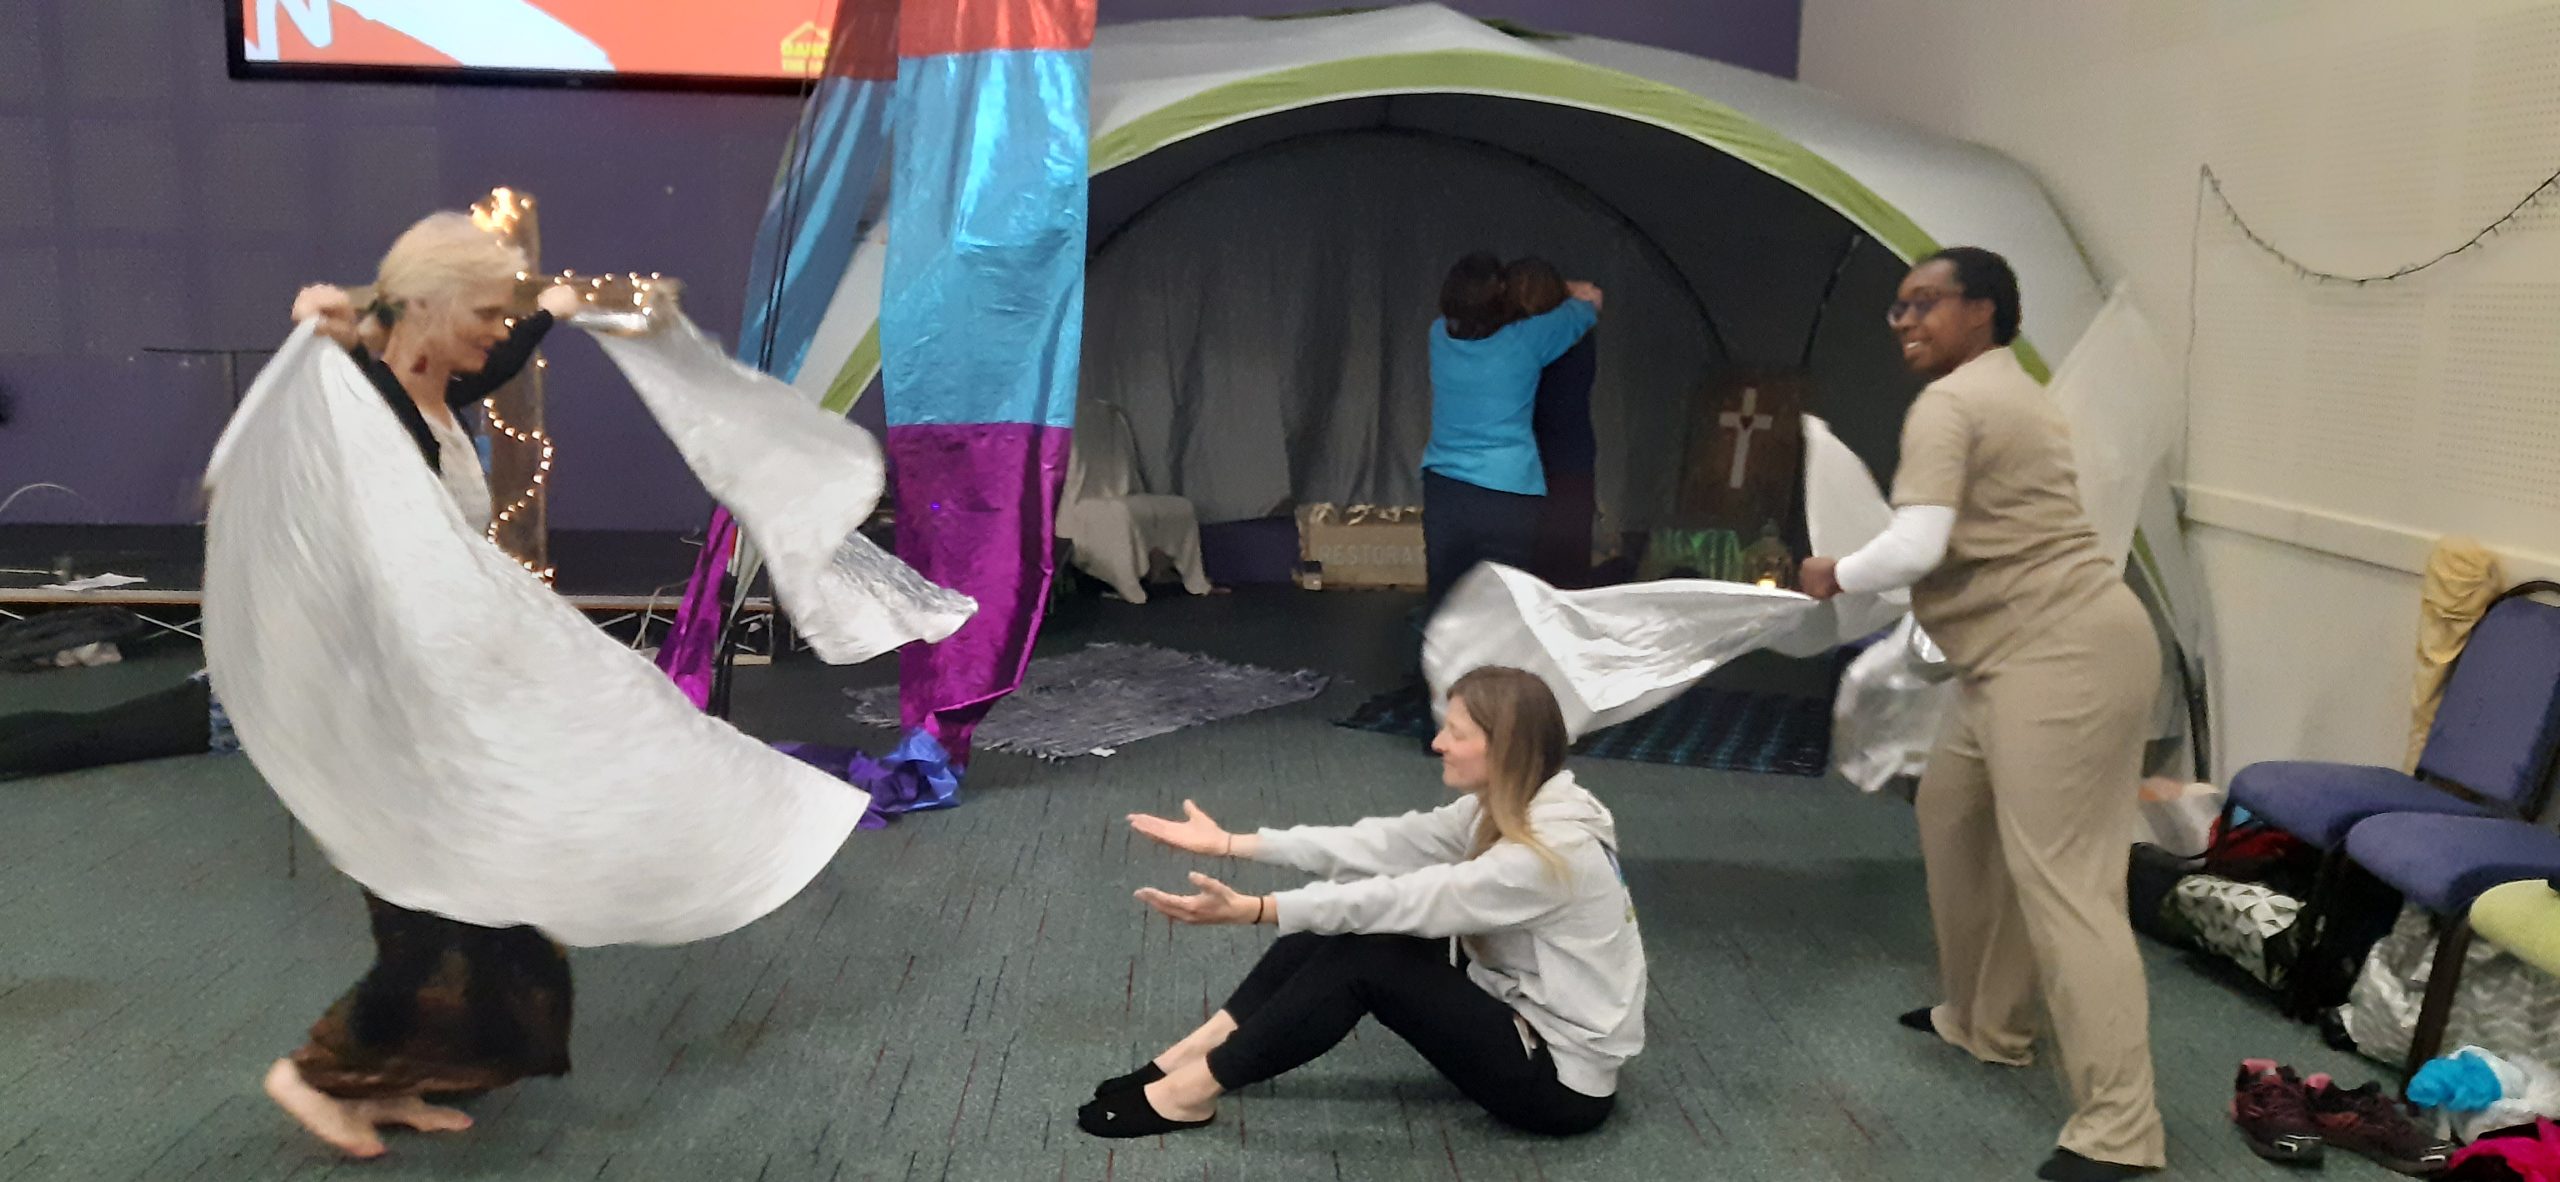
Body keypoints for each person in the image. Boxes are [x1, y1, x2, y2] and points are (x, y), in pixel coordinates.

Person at [1798, 247, 2165, 1182]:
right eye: (1898, 307)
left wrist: (1833, 571)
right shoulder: (2006, 390)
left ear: (1985, 310)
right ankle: (1987, 1021)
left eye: (1927, 303)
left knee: (2068, 882)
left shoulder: (1955, 402)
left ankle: (2122, 1133)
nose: (1908, 320)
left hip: (2063, 656)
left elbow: (1918, 543)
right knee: (1950, 810)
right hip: (2012, 656)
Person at [255, 212, 586, 1158]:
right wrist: (327, 323)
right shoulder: (367, 393)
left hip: (440, 694)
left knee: (472, 905)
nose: (494, 331)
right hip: (382, 703)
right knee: (446, 917)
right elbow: (343, 360)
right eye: (481, 310)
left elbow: (482, 356)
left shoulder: (436, 383)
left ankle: (378, 1085)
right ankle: (313, 1074)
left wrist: (548, 313)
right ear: (428, 305)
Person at [1080, 665, 1645, 1139]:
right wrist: (1234, 843)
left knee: (1368, 955)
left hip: (1558, 1083)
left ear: (1505, 748)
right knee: (1333, 929)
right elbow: (1386, 843)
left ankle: (1191, 1092)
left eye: (1456, 732)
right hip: (1512, 1000)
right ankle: (1191, 1055)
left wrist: (1258, 908)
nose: (1437, 743)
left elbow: (1408, 899)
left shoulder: (1547, 850)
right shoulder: (1514, 802)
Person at [1420, 253, 1601, 614]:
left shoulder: (1438, 335)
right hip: (1508, 492)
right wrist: (1552, 286)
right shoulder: (1526, 341)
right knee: (1506, 604)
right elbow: (1592, 299)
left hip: (1443, 487)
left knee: (1445, 601)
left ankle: (1439, 667)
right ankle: (1500, 669)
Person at [1506, 258, 1601, 589]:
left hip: (1527, 465)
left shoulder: (1517, 340)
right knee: (1567, 574)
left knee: (1523, 572)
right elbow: (1592, 296)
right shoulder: (1578, 333)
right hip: (1571, 463)